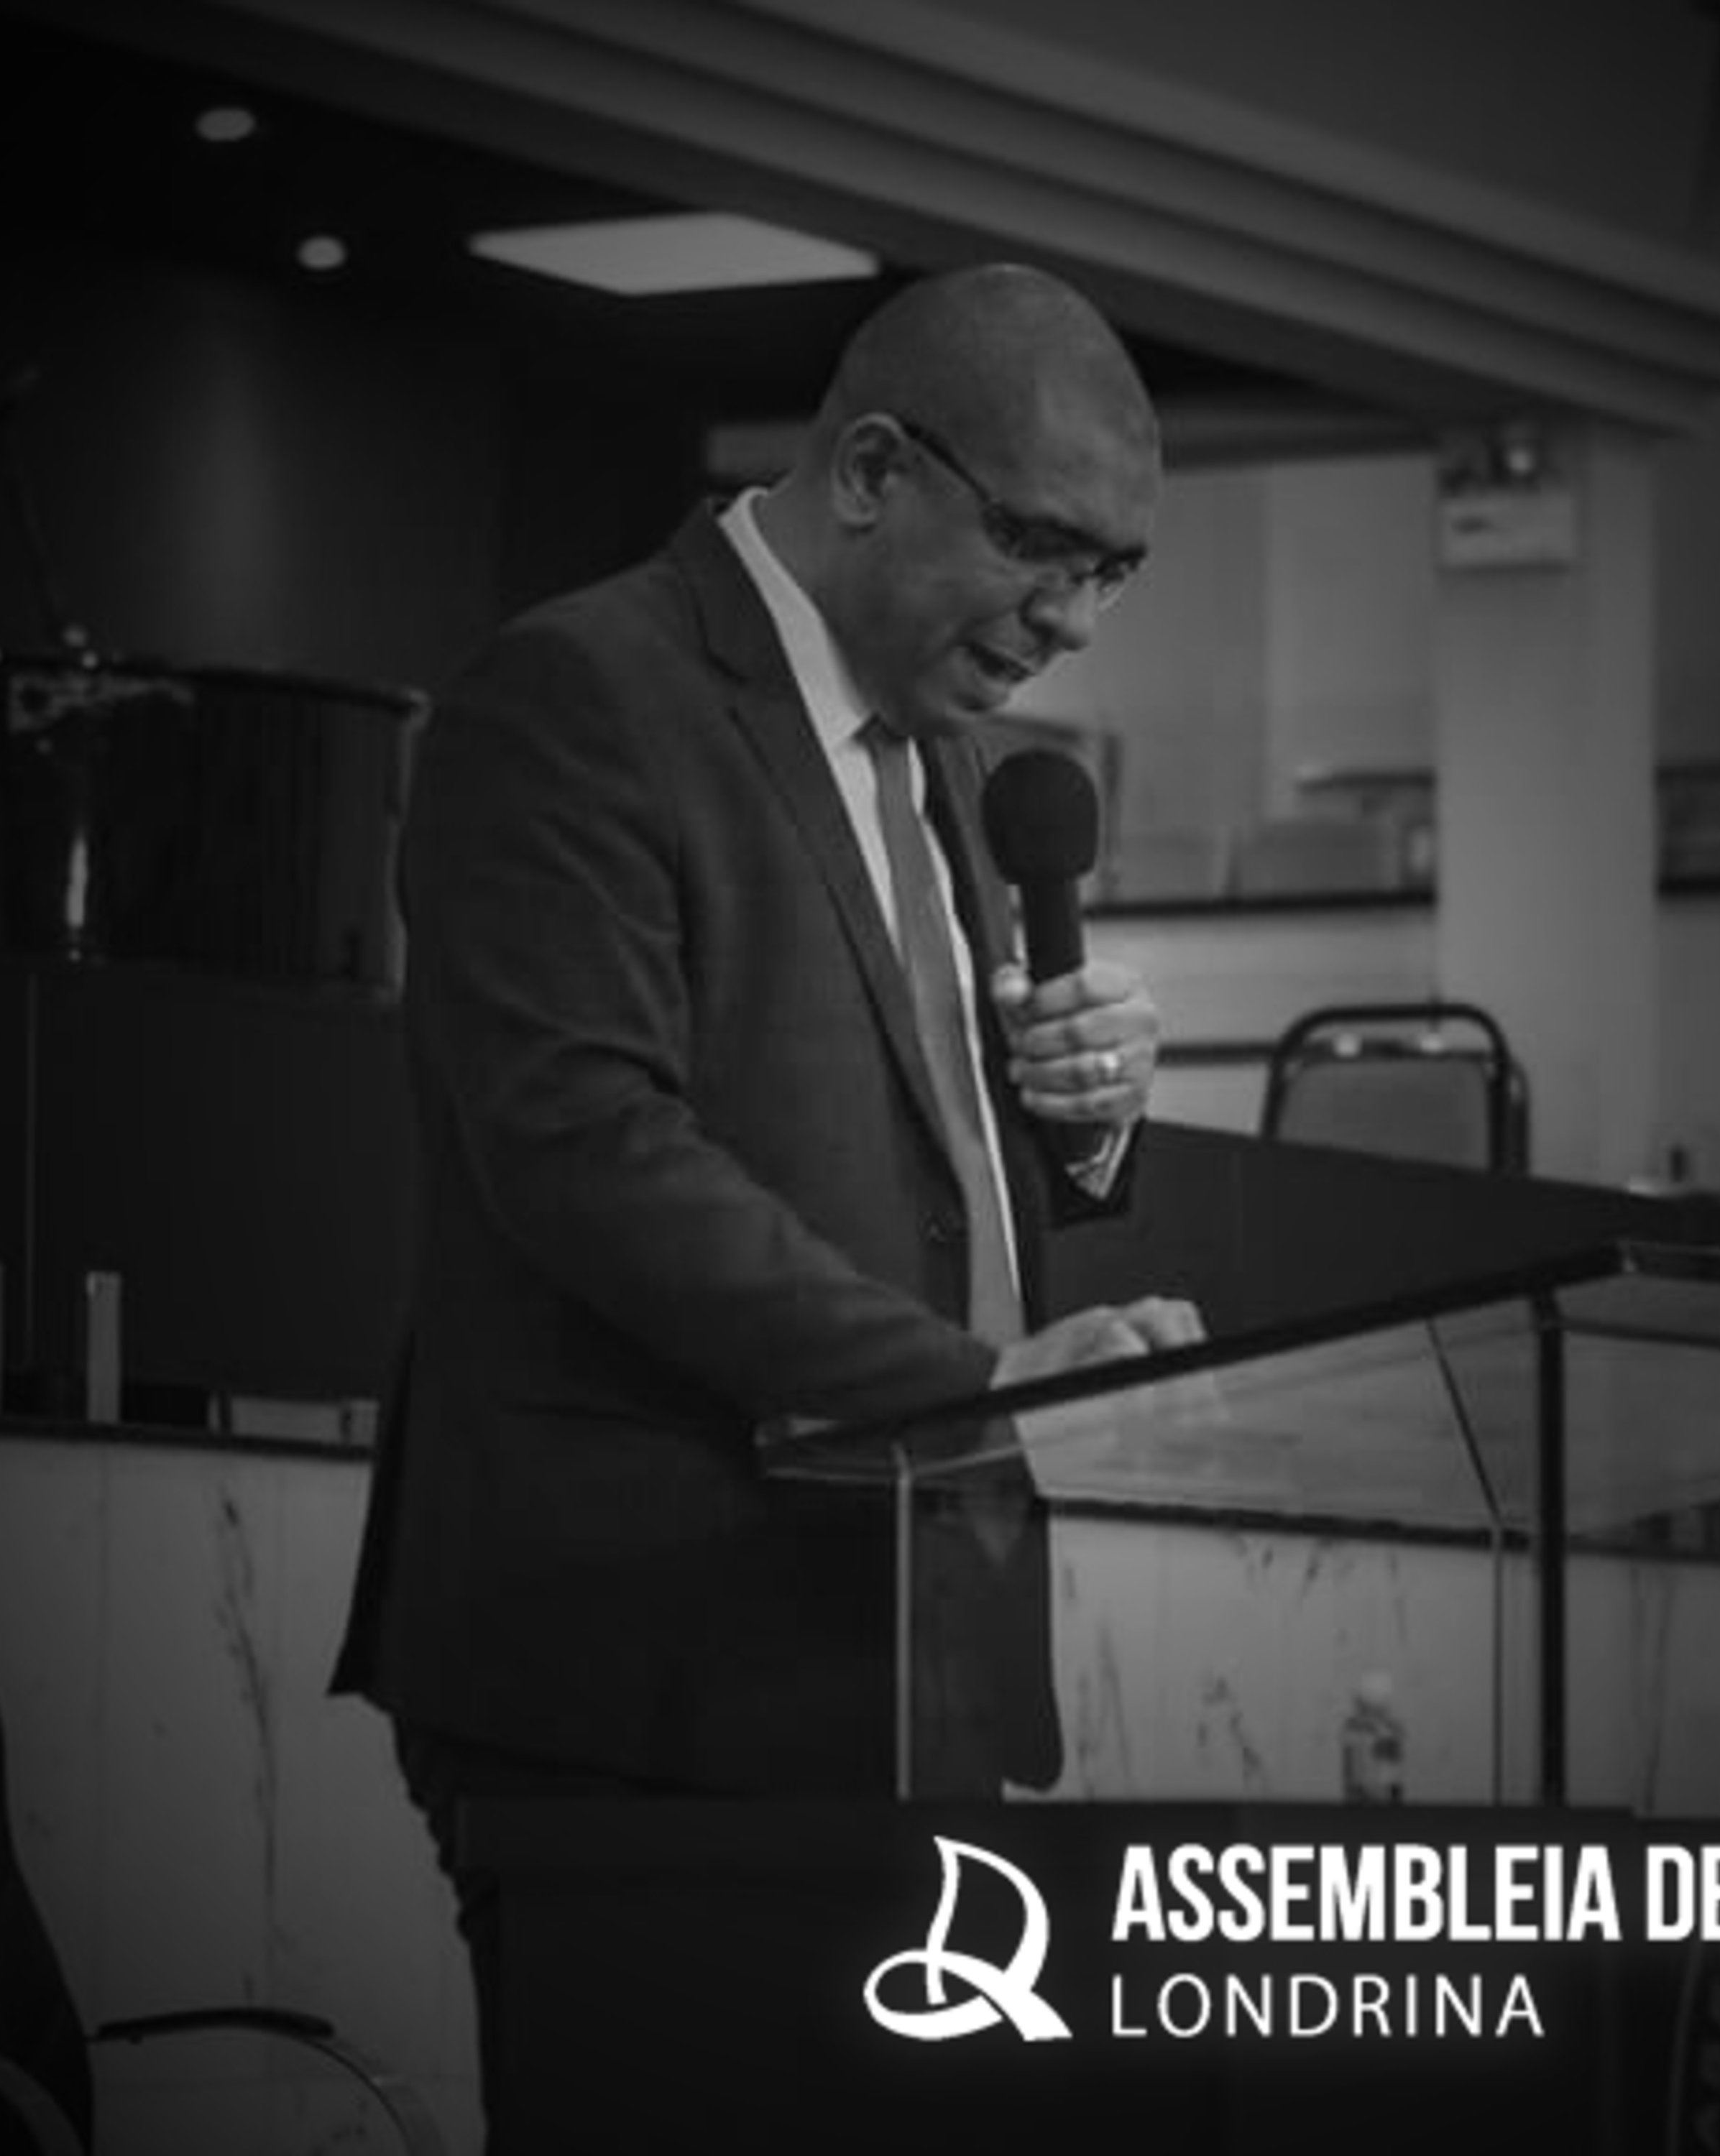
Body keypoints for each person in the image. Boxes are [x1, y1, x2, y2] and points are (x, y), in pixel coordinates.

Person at [328, 262, 1201, 2132]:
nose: (1071, 620)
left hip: (912, 1666)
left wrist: (1083, 1129)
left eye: (1114, 572)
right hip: (645, 1681)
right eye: (1043, 547)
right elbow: (584, 1156)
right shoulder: (578, 696)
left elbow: (928, 1179)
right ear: (873, 470)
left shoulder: (955, 764)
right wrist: (982, 1388)